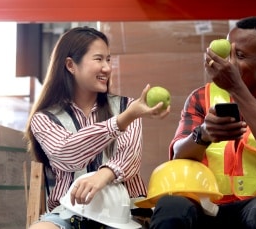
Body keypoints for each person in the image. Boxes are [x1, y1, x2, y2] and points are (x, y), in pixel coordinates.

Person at [149, 16, 256, 229]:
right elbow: (178, 155)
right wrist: (203, 134)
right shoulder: (201, 97)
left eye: (239, 55)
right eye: (229, 52)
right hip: (206, 206)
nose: (230, 62)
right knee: (171, 206)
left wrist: (237, 89)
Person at [24, 27, 170, 229]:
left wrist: (104, 174)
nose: (107, 68)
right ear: (70, 65)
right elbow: (68, 154)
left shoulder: (127, 106)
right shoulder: (44, 118)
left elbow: (130, 157)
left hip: (124, 213)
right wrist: (120, 122)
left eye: (108, 60)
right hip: (69, 212)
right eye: (99, 59)